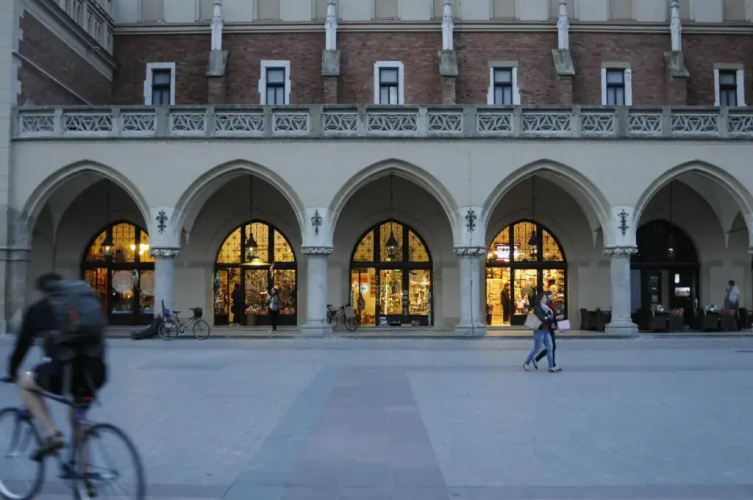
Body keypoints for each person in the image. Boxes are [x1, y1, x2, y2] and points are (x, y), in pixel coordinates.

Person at [5, 273, 108, 462]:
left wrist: (12, 372)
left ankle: (52, 434)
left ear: (42, 291)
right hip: (94, 373)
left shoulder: (39, 309)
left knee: (25, 383)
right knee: (78, 418)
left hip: (63, 374)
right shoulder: (83, 306)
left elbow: (22, 345)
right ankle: (84, 475)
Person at [524, 292, 559, 373]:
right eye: (544, 298)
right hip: (539, 331)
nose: (545, 299)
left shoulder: (547, 307)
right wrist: (548, 318)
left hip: (547, 330)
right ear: (540, 299)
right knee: (537, 349)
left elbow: (550, 317)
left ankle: (551, 366)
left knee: (550, 348)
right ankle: (527, 362)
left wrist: (551, 318)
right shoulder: (538, 308)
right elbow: (541, 318)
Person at [533, 291, 562, 371]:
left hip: (550, 327)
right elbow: (545, 317)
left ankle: (550, 363)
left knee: (552, 347)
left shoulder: (550, 304)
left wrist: (556, 318)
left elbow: (551, 315)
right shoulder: (543, 306)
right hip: (545, 328)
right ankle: (551, 365)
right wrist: (553, 318)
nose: (552, 296)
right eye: (550, 295)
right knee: (551, 347)